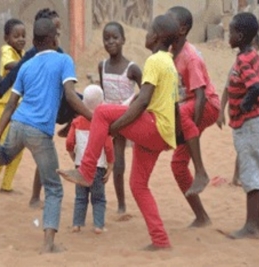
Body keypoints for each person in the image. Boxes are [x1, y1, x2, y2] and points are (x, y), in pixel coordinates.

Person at [0, 18, 91, 253]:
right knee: (54, 188)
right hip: (40, 131)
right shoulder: (64, 60)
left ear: (33, 42)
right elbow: (71, 97)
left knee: (0, 157)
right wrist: (93, 117)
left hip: (19, 123)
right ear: (55, 40)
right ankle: (48, 245)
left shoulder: (27, 65)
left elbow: (10, 105)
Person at [57, 15, 180, 250]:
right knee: (138, 185)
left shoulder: (154, 61)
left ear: (156, 36)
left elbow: (143, 100)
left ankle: (86, 170)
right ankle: (160, 239)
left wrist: (113, 127)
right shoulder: (169, 62)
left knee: (102, 112)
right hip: (162, 132)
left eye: (148, 30)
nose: (144, 35)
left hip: (153, 126)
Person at [217, 12, 259, 239]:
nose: (228, 36)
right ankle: (255, 225)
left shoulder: (244, 60)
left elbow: (257, 86)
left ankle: (252, 226)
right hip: (250, 123)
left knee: (250, 174)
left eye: (230, 33)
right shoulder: (254, 56)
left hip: (248, 124)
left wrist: (245, 106)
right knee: (252, 171)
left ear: (239, 36)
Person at [166, 6, 220, 226]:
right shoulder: (170, 53)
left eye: (168, 22)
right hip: (188, 109)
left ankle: (201, 171)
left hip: (206, 105)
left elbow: (200, 95)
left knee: (182, 110)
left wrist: (192, 129)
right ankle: (201, 216)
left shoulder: (190, 57)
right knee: (178, 165)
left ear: (181, 29)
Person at [99, 21, 142, 214]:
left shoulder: (132, 69)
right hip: (109, 118)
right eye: (106, 38)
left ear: (123, 40)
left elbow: (145, 93)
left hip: (126, 118)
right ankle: (117, 203)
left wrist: (130, 107)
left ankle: (122, 204)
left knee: (120, 162)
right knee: (108, 160)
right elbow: (103, 92)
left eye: (115, 38)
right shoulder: (102, 66)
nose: (110, 42)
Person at [217, 33, 259, 186]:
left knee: (246, 147)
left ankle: (240, 178)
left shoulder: (257, 64)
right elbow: (227, 89)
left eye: (254, 48)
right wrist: (221, 112)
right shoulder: (238, 66)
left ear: (258, 48)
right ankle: (237, 177)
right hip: (237, 116)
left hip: (250, 117)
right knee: (243, 148)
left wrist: (249, 101)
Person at [0, 18, 26, 194]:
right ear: (6, 38)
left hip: (17, 109)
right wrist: (29, 62)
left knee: (19, 148)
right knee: (5, 147)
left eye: (23, 35)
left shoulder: (22, 54)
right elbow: (9, 66)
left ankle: (7, 185)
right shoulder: (7, 51)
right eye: (16, 36)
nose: (21, 39)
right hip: (3, 109)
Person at [66, 85, 114, 234]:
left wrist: (74, 157)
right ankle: (98, 225)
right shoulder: (102, 123)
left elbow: (69, 143)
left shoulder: (77, 122)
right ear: (101, 103)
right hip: (98, 167)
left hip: (80, 167)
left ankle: (76, 224)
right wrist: (110, 165)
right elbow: (108, 147)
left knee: (80, 197)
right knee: (98, 198)